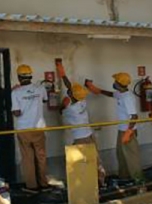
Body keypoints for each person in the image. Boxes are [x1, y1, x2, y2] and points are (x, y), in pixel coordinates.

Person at [56, 60, 106, 188]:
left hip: (80, 137)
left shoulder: (69, 106)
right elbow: (70, 87)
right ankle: (101, 179)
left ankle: (93, 183)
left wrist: (61, 103)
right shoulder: (82, 100)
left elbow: (60, 108)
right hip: (89, 133)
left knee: (84, 160)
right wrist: (62, 72)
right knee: (96, 158)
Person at [86, 73, 143, 181]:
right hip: (122, 130)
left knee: (132, 156)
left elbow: (134, 116)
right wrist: (96, 89)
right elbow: (111, 94)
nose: (113, 83)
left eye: (115, 81)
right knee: (121, 154)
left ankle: (139, 180)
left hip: (127, 131)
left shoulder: (127, 97)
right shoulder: (121, 94)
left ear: (119, 83)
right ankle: (125, 176)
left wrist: (128, 132)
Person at [11, 64, 50, 194]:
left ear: (19, 77)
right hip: (38, 128)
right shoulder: (40, 89)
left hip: (24, 129)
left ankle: (32, 186)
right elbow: (45, 101)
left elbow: (16, 112)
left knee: (28, 158)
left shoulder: (16, 92)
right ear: (31, 76)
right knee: (41, 156)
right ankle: (44, 184)